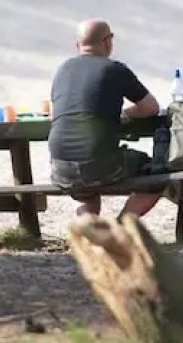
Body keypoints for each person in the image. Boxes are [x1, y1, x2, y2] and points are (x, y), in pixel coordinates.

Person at [48, 18, 163, 219]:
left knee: (87, 190)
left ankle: (89, 226)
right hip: (100, 164)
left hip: (60, 166)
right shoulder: (114, 69)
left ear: (78, 45)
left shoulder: (63, 70)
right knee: (157, 176)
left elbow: (55, 113)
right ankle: (119, 227)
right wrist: (126, 114)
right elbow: (151, 108)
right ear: (107, 42)